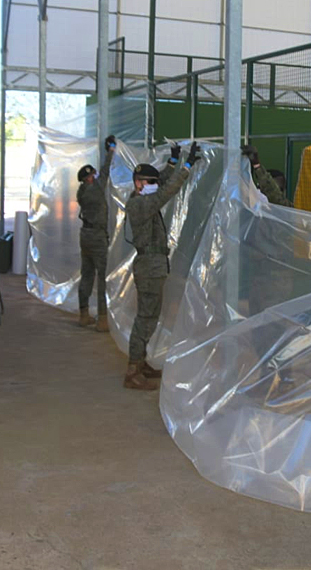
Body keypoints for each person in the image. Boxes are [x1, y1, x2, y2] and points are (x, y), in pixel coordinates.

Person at [122, 141, 201, 390]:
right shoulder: (138, 204)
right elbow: (166, 191)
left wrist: (173, 162)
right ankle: (133, 370)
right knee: (145, 318)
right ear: (138, 183)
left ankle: (140, 362)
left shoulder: (143, 196)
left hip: (153, 265)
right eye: (149, 182)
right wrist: (186, 167)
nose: (153, 185)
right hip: (149, 267)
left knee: (150, 316)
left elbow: (160, 184)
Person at [75, 136, 117, 332]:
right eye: (92, 175)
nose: (95, 177)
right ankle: (102, 319)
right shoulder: (96, 189)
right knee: (101, 278)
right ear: (88, 178)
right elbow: (106, 171)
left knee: (86, 275)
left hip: (85, 235)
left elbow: (101, 174)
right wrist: (110, 151)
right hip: (98, 237)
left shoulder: (82, 192)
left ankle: (84, 314)